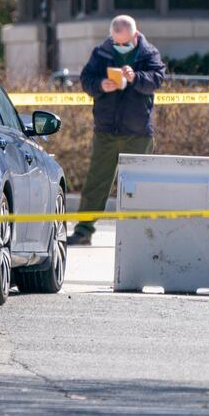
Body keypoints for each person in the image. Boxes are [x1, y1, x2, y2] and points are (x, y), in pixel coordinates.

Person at [69, 15, 166, 245]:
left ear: (135, 35)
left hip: (137, 131)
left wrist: (136, 77)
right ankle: (83, 231)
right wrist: (101, 84)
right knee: (96, 181)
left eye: (124, 43)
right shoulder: (101, 52)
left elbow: (157, 79)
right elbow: (86, 79)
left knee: (139, 185)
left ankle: (140, 235)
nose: (120, 47)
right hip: (106, 129)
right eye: (116, 43)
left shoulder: (148, 53)